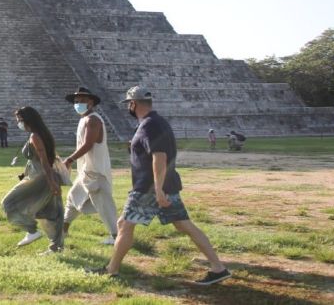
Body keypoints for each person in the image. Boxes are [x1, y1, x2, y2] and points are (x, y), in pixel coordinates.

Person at [99, 85, 231, 285]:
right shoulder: (157, 122)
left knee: (125, 225)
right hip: (164, 185)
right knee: (183, 224)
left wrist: (158, 189)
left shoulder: (149, 125)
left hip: (148, 189)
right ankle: (218, 267)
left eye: (129, 104)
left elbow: (159, 157)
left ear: (133, 104)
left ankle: (111, 270)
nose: (129, 108)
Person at [1, 106, 64, 254]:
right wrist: (25, 175)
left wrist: (51, 182)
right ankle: (55, 247)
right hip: (41, 177)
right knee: (50, 212)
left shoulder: (35, 136)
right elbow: (36, 161)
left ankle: (31, 231)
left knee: (8, 203)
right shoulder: (41, 134)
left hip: (41, 178)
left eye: (20, 120)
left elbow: (44, 161)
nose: (18, 123)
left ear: (27, 120)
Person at [61, 87, 119, 245]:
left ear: (91, 102)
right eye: (76, 101)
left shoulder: (93, 120)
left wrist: (70, 159)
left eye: (82, 101)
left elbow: (88, 144)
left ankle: (116, 237)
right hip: (86, 171)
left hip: (96, 172)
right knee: (72, 198)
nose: (78, 103)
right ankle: (63, 230)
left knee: (105, 206)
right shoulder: (84, 119)